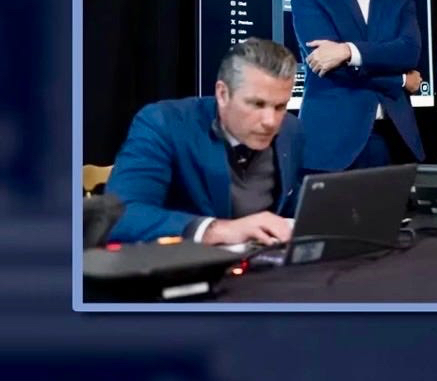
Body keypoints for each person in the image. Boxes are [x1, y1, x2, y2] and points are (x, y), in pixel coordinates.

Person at [105, 38, 308, 245]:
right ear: (223, 94)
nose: (270, 121)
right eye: (257, 104)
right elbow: (121, 216)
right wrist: (216, 230)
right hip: (186, 260)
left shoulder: (291, 130)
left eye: (280, 106)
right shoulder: (164, 123)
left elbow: (288, 204)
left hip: (263, 259)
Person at [290, 0, 425, 171]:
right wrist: (400, 79)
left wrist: (348, 51)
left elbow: (409, 51)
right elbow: (328, 67)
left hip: (394, 139)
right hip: (332, 143)